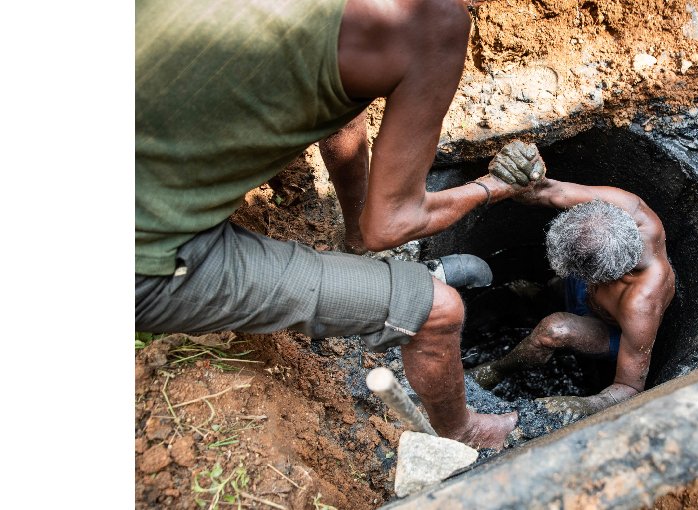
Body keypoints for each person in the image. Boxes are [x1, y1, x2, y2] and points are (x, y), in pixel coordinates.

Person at [135, 0, 546, 449]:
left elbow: (338, 109)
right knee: (439, 309)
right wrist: (491, 187)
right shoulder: (430, 21)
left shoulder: (345, 27)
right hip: (147, 255)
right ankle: (460, 431)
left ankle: (351, 239)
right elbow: (390, 227)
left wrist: (359, 232)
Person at [470, 175, 676, 424]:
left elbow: (629, 387)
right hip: (591, 284)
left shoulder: (641, 304)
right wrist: (519, 173)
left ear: (604, 276)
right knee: (556, 285)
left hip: (610, 326)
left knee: (553, 329)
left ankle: (498, 369)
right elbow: (547, 190)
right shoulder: (627, 207)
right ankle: (546, 293)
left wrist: (585, 404)